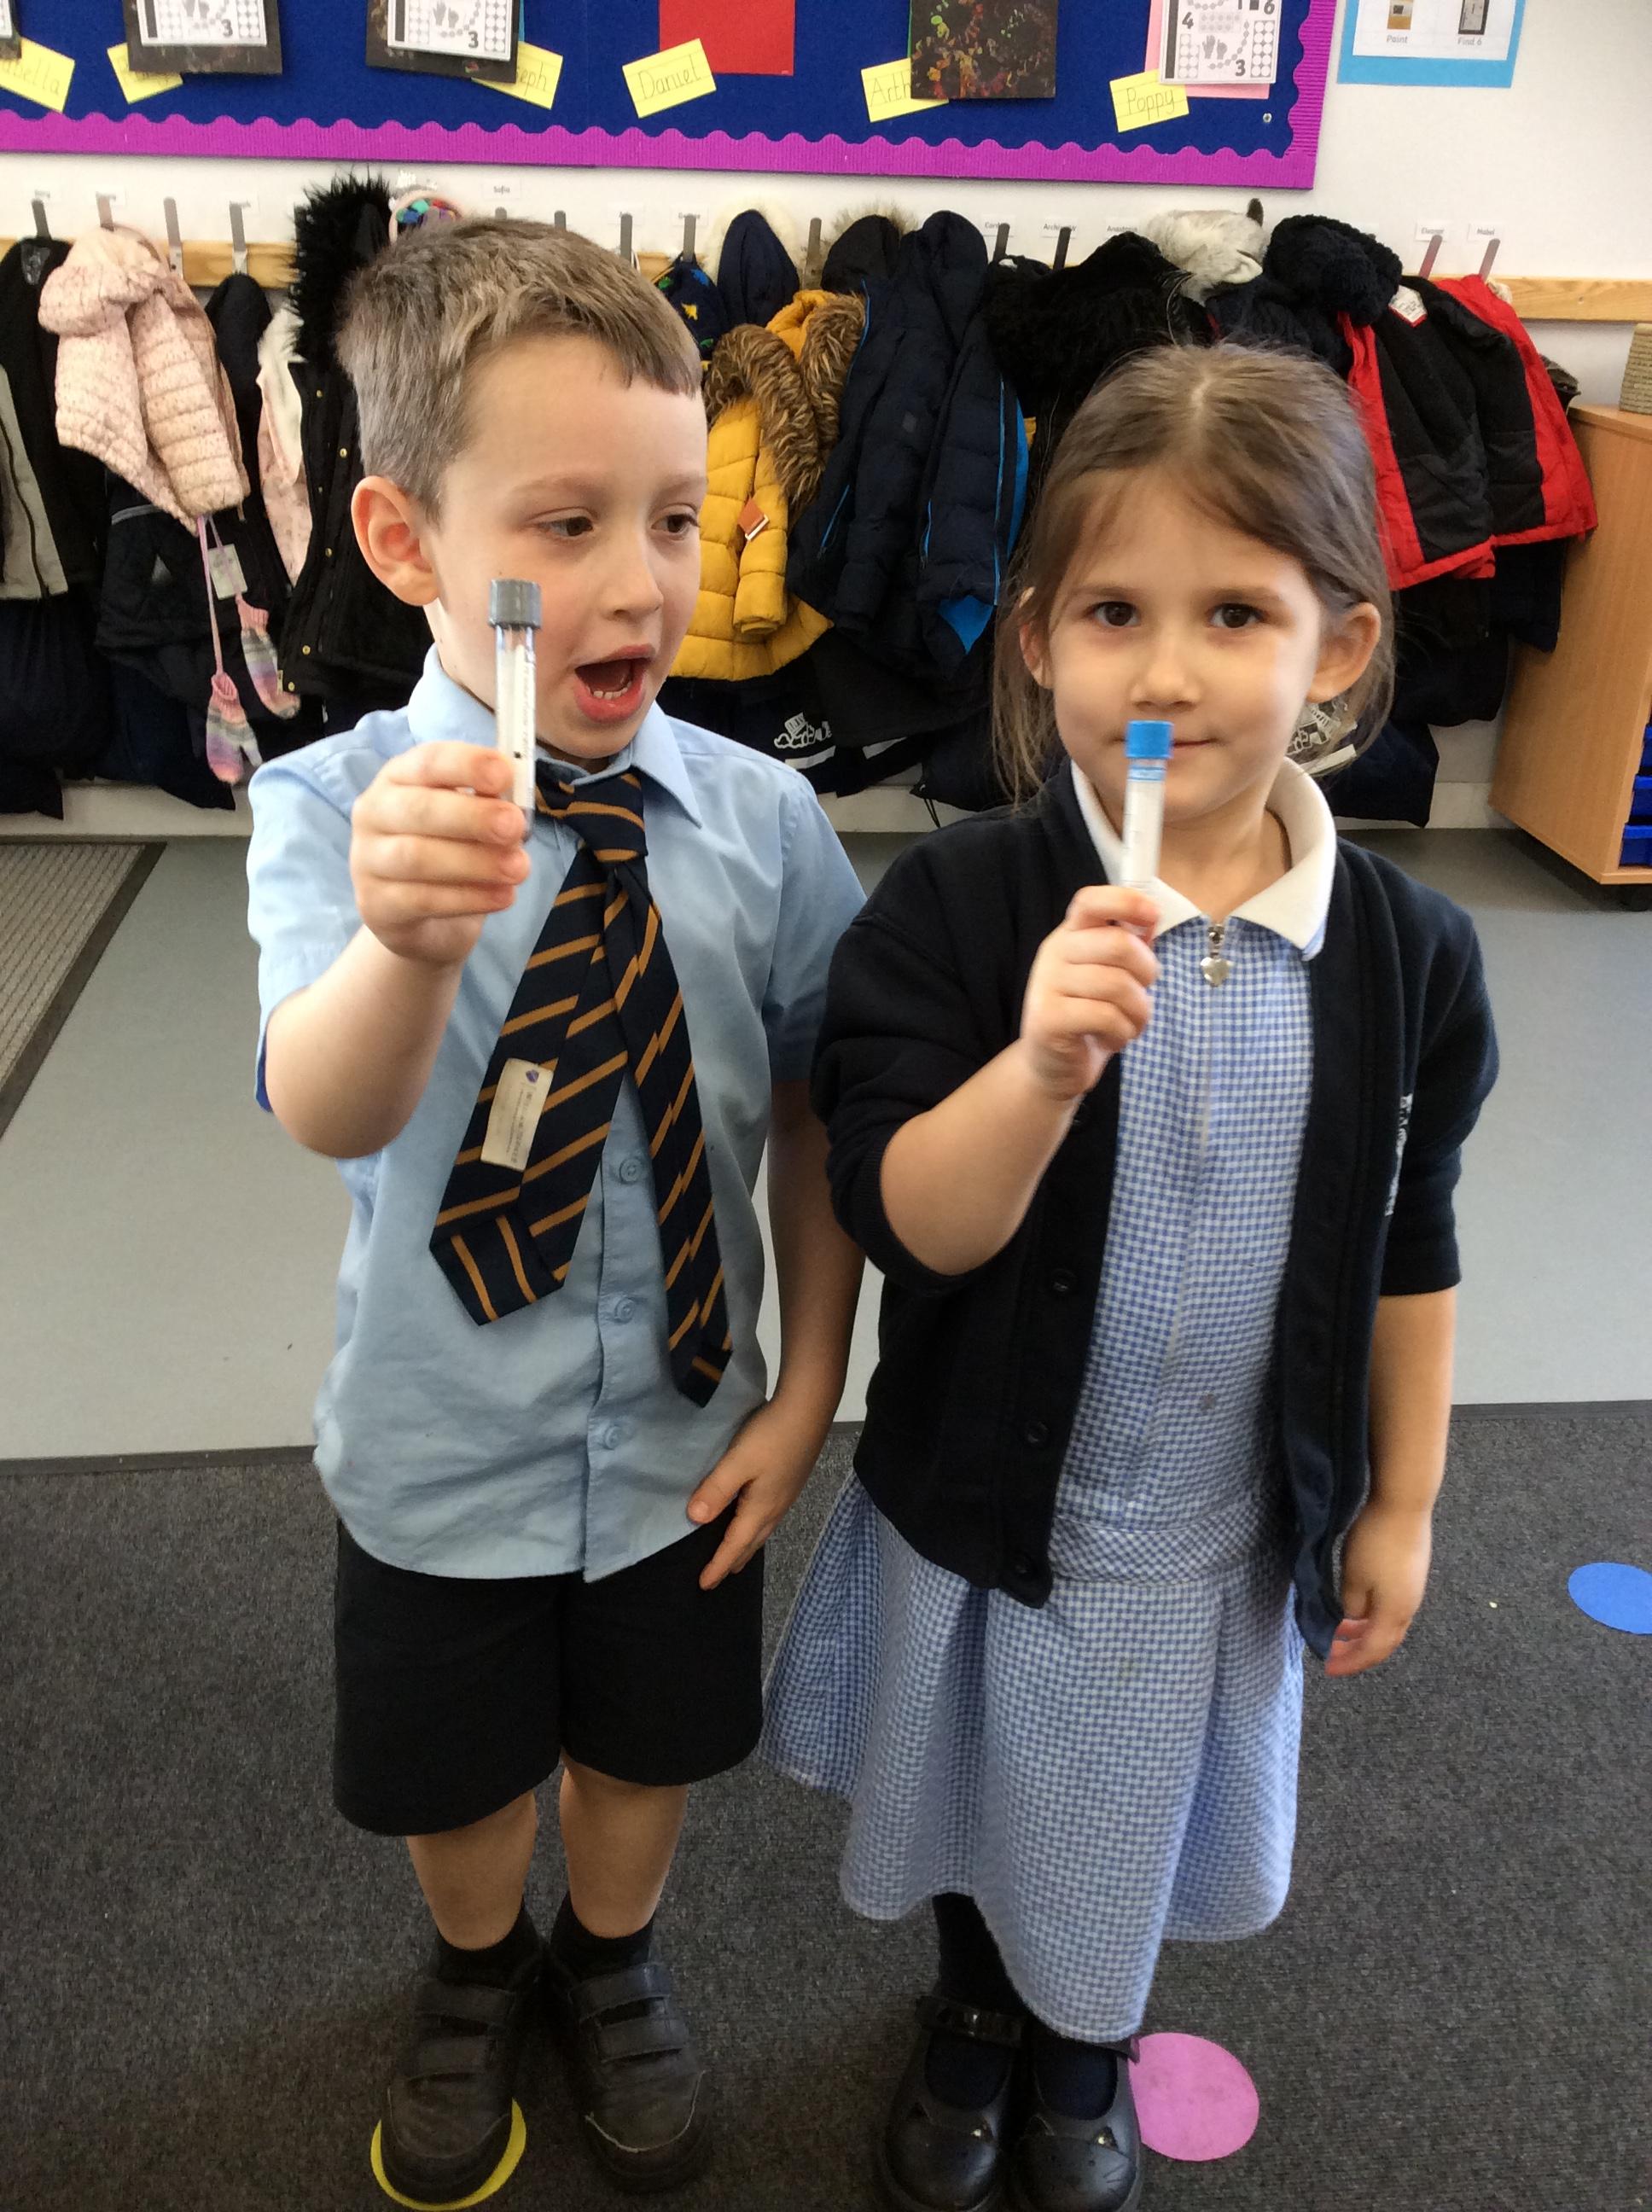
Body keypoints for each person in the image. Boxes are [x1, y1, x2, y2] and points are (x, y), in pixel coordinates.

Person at [763, 342, 1498, 2212]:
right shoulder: (954, 911)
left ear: (1337, 648)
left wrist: (1403, 1498)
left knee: (1122, 1807)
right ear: (1036, 645)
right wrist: (1036, 1070)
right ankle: (973, 2007)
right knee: (972, 1782)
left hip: (1209, 1533)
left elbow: (1410, 1239)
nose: (1165, 672)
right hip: (987, 1504)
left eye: (1233, 613)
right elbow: (909, 1220)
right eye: (1112, 613)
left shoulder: (1407, 958)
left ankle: (1084, 2034)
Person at [246, 218, 864, 2206]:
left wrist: (810, 1388)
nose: (639, 582)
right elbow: (322, 1104)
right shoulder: (331, 813)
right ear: (403, 539)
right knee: (449, 1764)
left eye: (677, 520)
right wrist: (409, 947)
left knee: (647, 1743)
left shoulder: (765, 825)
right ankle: (471, 1965)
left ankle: (608, 1956)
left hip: (690, 1431)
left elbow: (817, 1114)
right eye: (566, 522)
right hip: (441, 1434)